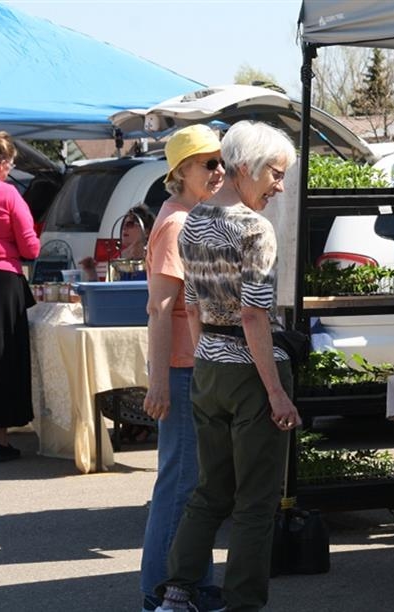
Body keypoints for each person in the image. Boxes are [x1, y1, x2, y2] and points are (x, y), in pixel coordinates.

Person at [154, 120, 300, 612]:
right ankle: (243, 604)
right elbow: (255, 314)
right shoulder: (255, 228)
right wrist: (277, 391)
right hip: (251, 372)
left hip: (208, 367)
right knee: (256, 502)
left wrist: (205, 358)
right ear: (246, 168)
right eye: (275, 174)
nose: (279, 186)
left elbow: (192, 306)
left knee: (209, 490)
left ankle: (177, 593)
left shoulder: (191, 220)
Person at [139, 125, 226, 612]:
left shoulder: (191, 216)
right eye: (207, 164)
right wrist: (159, 384)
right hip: (181, 369)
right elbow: (160, 309)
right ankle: (161, 591)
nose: (218, 171)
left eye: (220, 162)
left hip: (194, 366)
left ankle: (192, 582)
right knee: (181, 484)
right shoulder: (176, 223)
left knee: (195, 483)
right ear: (180, 173)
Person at [0, 129, 41, 462]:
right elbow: (30, 246)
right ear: (3, 163)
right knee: (3, 357)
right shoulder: (7, 195)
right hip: (3, 281)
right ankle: (1, 440)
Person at [79, 203, 157, 281]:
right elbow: (109, 290)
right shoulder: (118, 259)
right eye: (123, 224)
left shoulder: (155, 259)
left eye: (130, 224)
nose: (124, 228)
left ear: (146, 231)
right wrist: (92, 273)